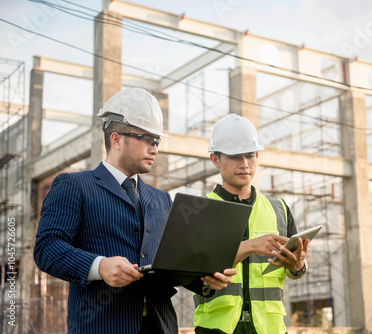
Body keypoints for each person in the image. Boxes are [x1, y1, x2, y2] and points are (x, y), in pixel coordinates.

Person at [34, 88, 236, 334]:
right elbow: (47, 248)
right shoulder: (75, 185)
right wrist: (100, 266)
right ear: (116, 139)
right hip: (102, 326)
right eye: (148, 140)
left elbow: (169, 263)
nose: (155, 149)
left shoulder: (162, 199)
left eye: (157, 142)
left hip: (160, 326)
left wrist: (205, 280)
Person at [193, 114, 310, 334]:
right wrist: (250, 246)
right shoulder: (201, 210)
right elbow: (192, 272)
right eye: (235, 157)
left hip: (270, 327)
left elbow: (296, 271)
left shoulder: (280, 209)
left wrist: (298, 266)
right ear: (215, 159)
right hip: (216, 328)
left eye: (250, 155)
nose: (244, 164)